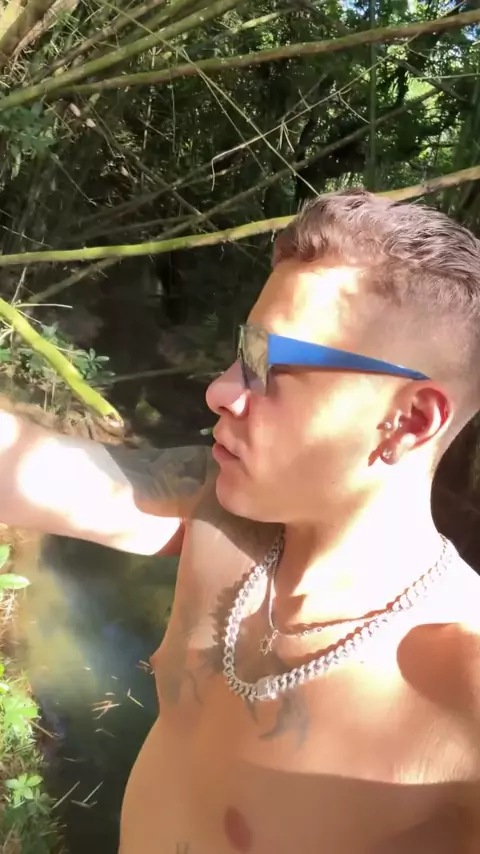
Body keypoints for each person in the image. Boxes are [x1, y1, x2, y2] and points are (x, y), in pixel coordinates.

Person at [1, 188, 480, 853]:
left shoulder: (458, 688)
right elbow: (22, 467)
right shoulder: (217, 514)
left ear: (409, 421)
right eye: (241, 353)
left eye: (268, 367)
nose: (220, 390)